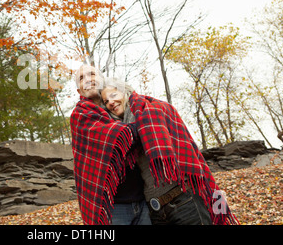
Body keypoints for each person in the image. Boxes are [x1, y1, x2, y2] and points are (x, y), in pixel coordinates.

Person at [100, 77, 239, 225]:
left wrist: (216, 195)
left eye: (113, 95)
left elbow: (188, 150)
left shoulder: (152, 109)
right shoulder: (119, 128)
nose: (110, 102)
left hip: (185, 200)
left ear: (125, 92)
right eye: (106, 101)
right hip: (155, 210)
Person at [70, 64, 151, 225]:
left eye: (92, 74)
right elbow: (120, 136)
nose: (87, 80)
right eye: (81, 78)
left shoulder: (123, 106)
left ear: (101, 79)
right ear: (79, 91)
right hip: (113, 208)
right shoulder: (81, 115)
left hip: (143, 200)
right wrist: (144, 124)